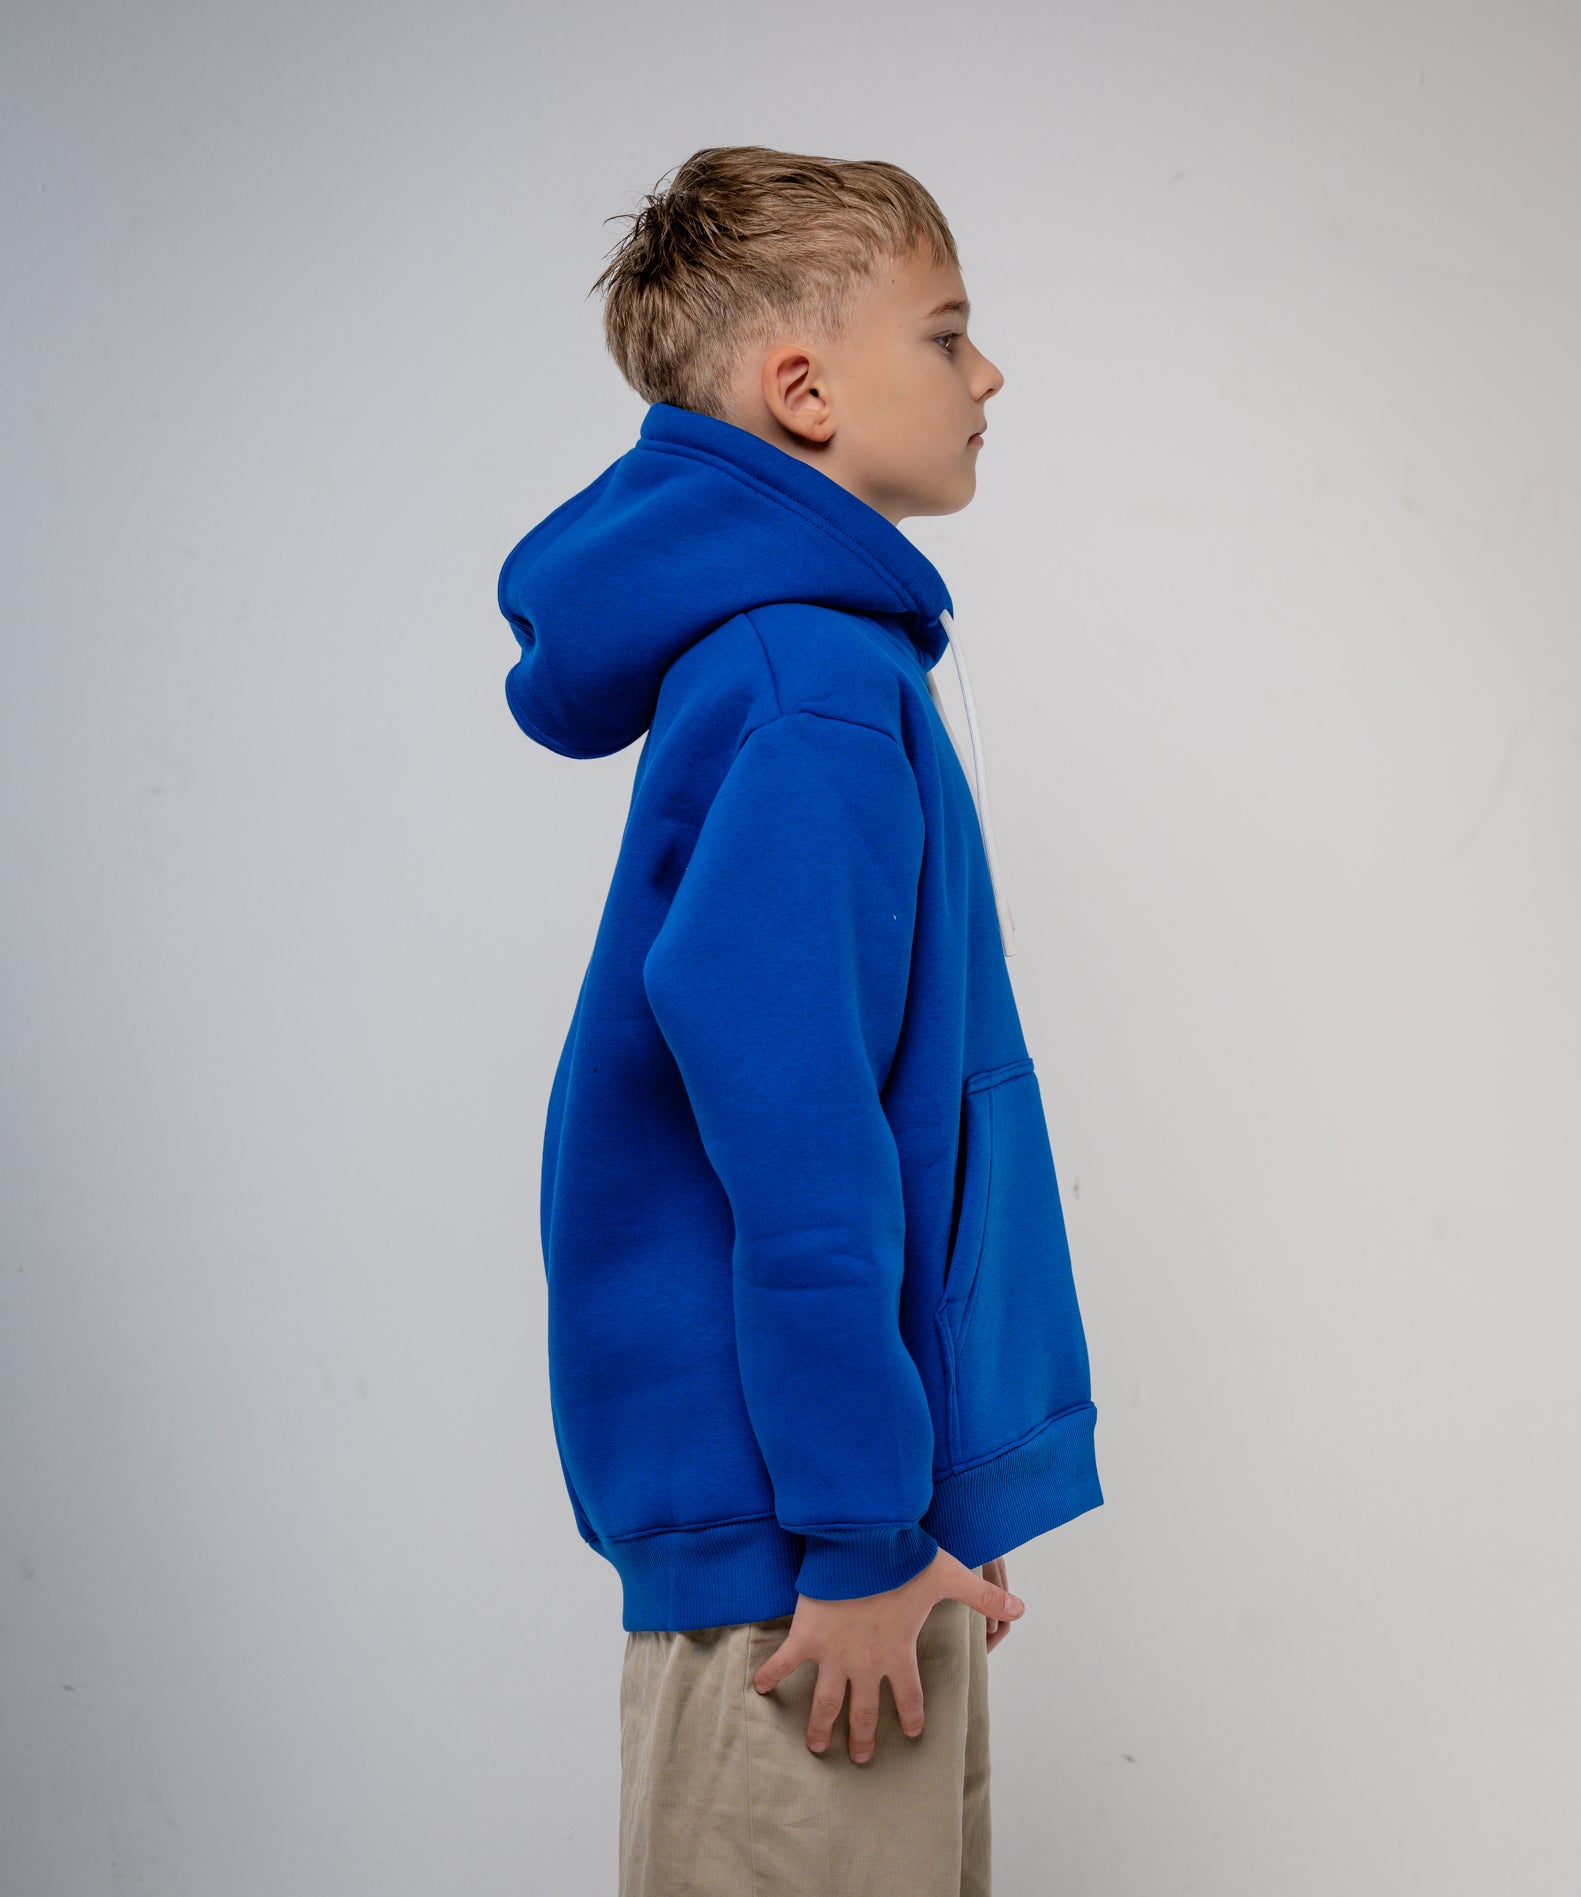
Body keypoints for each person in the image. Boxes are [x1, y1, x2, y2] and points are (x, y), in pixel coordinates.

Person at [495, 144, 1103, 1896]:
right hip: (803, 1559)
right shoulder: (806, 683)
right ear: (804, 389)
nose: (988, 374)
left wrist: (917, 1502)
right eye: (949, 333)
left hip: (850, 1527)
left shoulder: (818, 663)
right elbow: (802, 1147)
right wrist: (851, 1526)